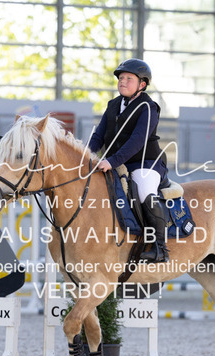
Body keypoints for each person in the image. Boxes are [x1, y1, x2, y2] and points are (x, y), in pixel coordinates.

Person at [88, 58, 169, 263]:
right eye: (120, 78)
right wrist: (85, 155)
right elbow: (98, 136)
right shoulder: (113, 105)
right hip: (115, 162)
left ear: (142, 84)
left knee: (144, 191)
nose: (122, 82)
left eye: (128, 79)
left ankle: (160, 248)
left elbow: (137, 141)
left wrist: (111, 161)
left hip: (144, 163)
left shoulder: (148, 107)